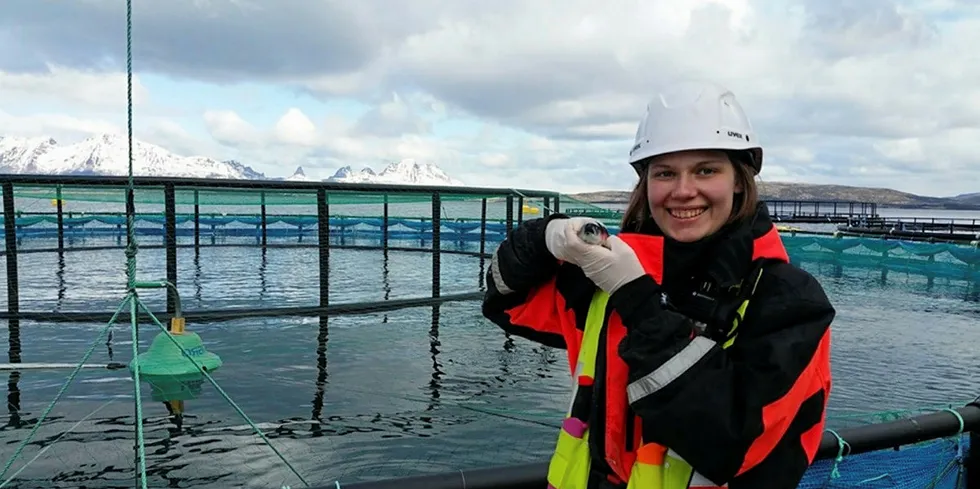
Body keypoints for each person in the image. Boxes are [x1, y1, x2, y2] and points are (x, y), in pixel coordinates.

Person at [482, 80, 834, 489]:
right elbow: (506, 301)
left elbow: (731, 442)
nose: (684, 191)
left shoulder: (788, 300)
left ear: (739, 180)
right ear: (645, 183)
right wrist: (544, 238)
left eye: (706, 170)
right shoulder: (606, 272)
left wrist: (638, 299)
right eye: (665, 173)